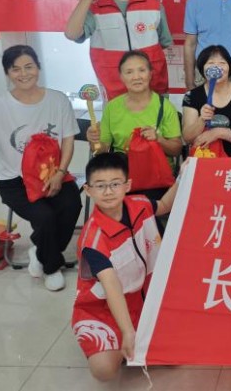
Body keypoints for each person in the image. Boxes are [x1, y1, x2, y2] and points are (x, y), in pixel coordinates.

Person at [0, 45, 82, 292]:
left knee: (72, 205)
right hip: (14, 182)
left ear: (38, 67)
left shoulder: (58, 100)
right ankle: (51, 267)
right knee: (45, 217)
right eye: (15, 69)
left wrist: (60, 173)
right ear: (7, 73)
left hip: (54, 174)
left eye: (29, 67)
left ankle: (39, 250)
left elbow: (68, 140)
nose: (23, 73)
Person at [72, 152, 180, 381]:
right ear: (88, 190)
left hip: (145, 301)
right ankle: (119, 343)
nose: (108, 191)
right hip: (103, 309)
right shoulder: (92, 239)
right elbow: (111, 286)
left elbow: (164, 205)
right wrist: (127, 331)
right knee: (103, 369)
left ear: (127, 185)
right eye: (100, 185)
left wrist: (185, 174)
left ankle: (138, 338)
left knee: (177, 352)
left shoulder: (140, 204)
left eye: (115, 184)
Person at [65, 0, 172, 100]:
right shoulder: (94, 7)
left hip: (153, 89)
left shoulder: (153, 4)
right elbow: (71, 34)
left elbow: (163, 42)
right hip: (115, 93)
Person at [86, 51, 182, 202]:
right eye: (129, 72)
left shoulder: (165, 107)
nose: (136, 77)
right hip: (121, 176)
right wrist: (94, 141)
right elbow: (100, 151)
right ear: (121, 76)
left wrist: (158, 139)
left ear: (150, 73)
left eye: (142, 70)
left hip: (155, 177)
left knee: (145, 207)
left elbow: (176, 150)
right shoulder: (112, 107)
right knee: (112, 201)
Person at [182, 45, 231, 157]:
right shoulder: (192, 96)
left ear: (229, 67)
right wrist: (201, 119)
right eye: (211, 63)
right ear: (202, 68)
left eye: (222, 63)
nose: (216, 66)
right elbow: (187, 138)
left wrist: (217, 133)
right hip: (204, 159)